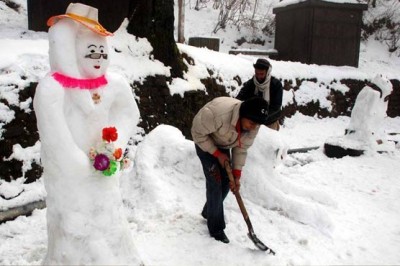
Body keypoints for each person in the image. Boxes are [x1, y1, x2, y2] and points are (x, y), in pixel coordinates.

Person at [191, 96, 269, 243]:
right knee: (216, 181)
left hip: (224, 142)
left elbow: (242, 147)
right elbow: (197, 133)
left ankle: (210, 211)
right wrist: (217, 154)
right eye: (252, 123)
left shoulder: (253, 125)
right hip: (205, 141)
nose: (254, 127)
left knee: (227, 181)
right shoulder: (217, 114)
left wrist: (237, 174)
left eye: (257, 125)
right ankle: (216, 229)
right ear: (243, 115)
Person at [236, 58, 283, 130]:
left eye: (262, 74)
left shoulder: (276, 85)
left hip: (270, 122)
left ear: (267, 73)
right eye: (257, 73)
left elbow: (276, 107)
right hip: (251, 121)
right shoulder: (250, 83)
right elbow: (240, 99)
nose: (259, 76)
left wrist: (261, 116)